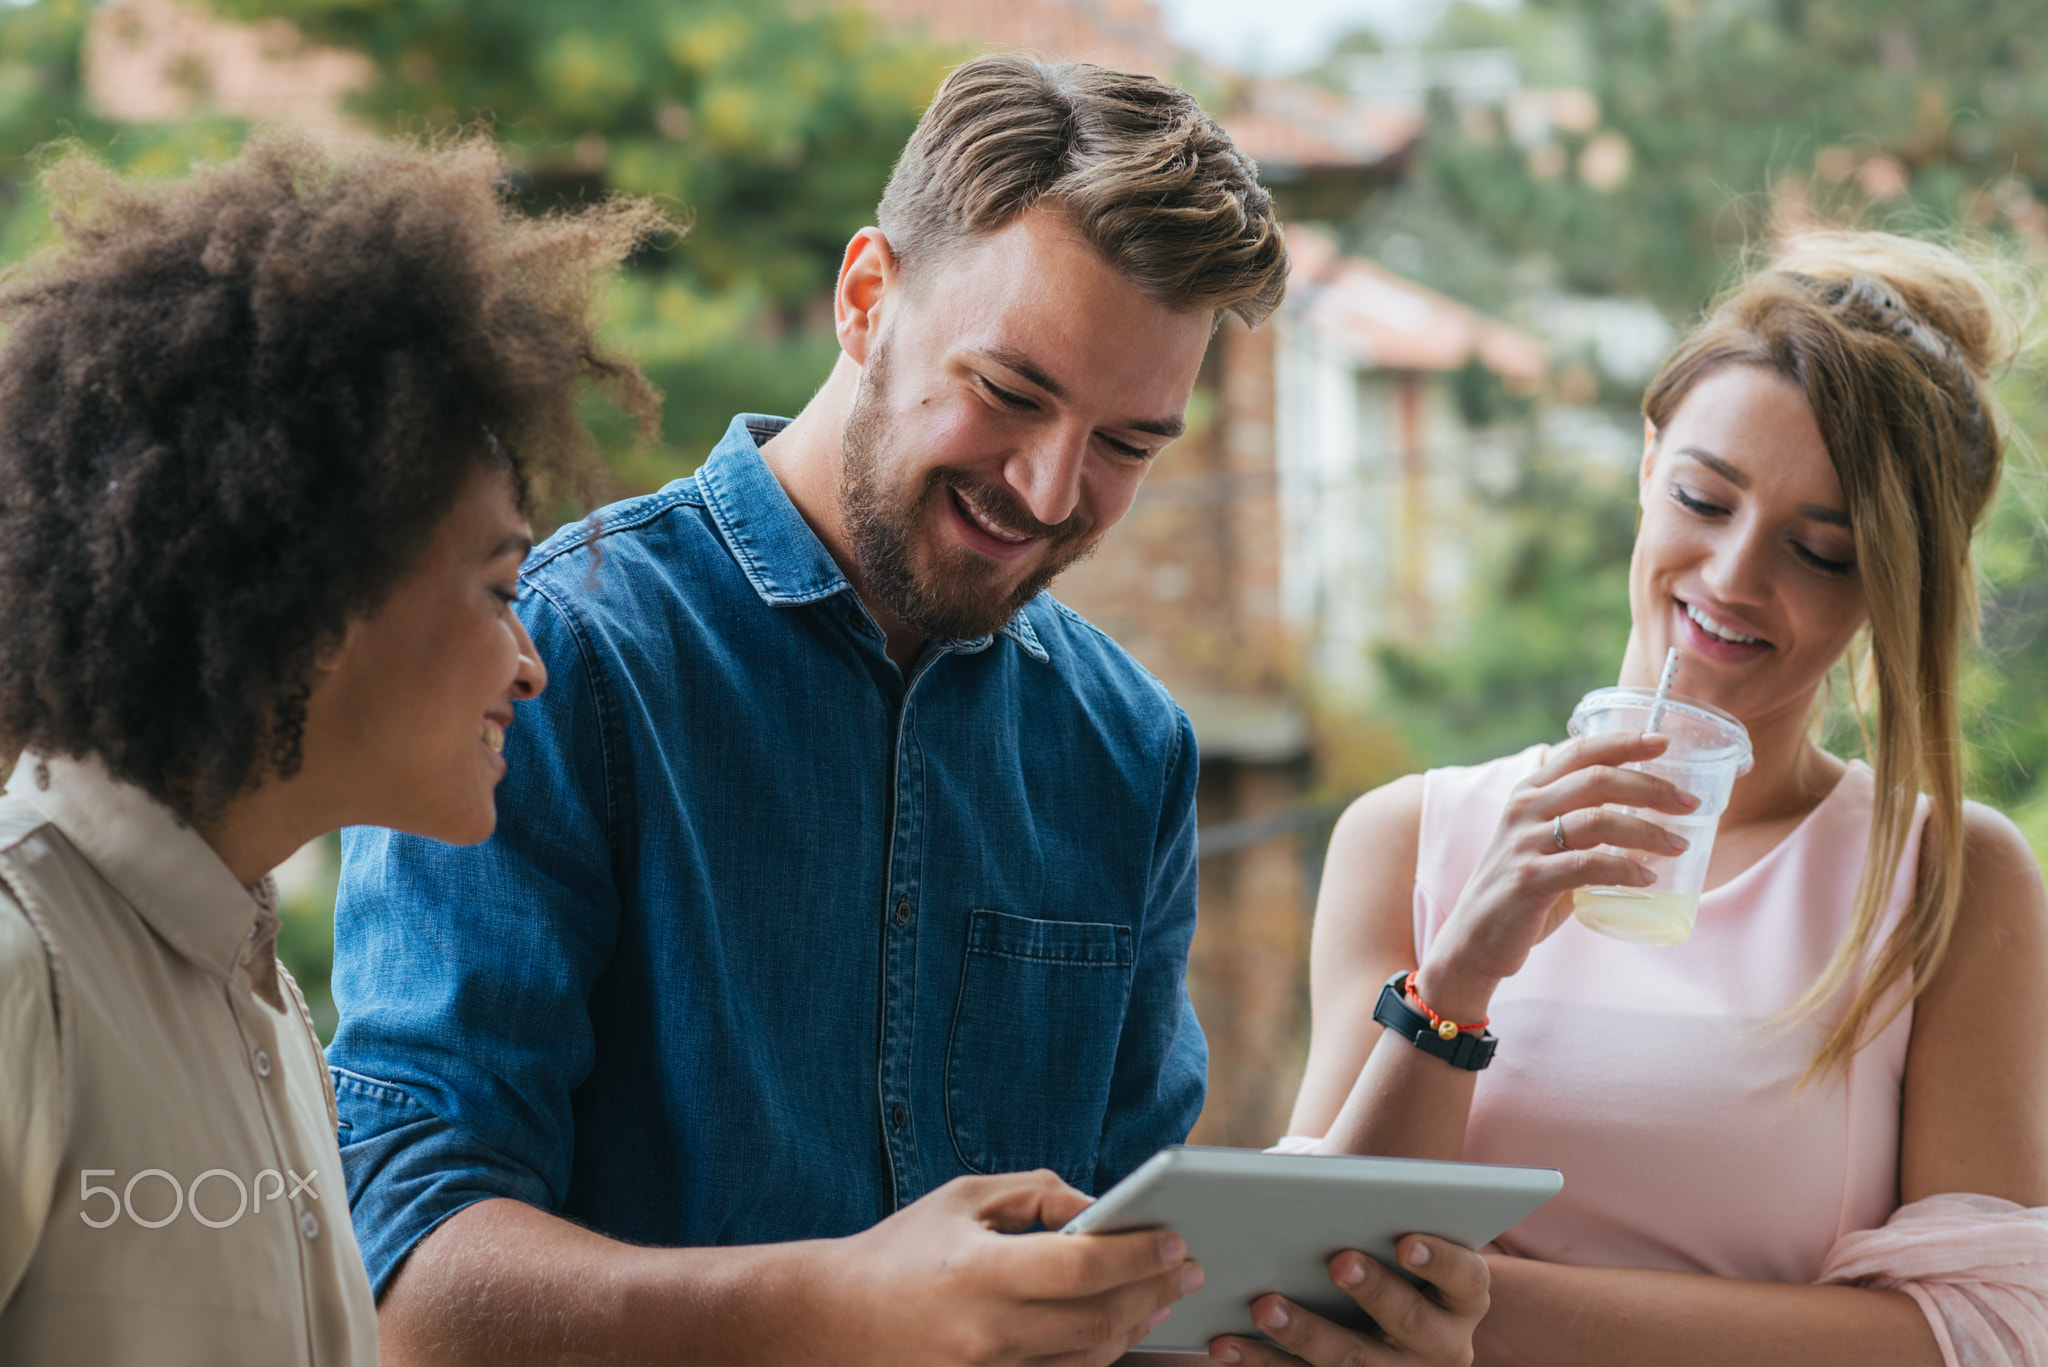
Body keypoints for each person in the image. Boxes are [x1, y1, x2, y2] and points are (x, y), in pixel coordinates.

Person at [326, 54, 1489, 1367]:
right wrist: (839, 1302)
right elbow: (408, 1280)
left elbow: (1121, 1280)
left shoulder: (1130, 745)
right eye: (1010, 392)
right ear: (867, 297)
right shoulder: (553, 654)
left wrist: (1301, 1327)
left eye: (1127, 444)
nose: (1052, 491)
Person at [1286, 230, 2048, 1366]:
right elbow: (1301, 1280)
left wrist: (1481, 1308)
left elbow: (1988, 1332)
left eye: (1821, 552)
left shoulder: (1944, 878)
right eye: (1704, 496)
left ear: (1890, 592)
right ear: (1646, 462)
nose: (1734, 575)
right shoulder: (1407, 837)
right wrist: (1458, 975)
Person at [0, 133, 664, 1364]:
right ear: (313, 598)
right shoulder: (19, 968)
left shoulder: (251, 989)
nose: (532, 662)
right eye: (499, 586)